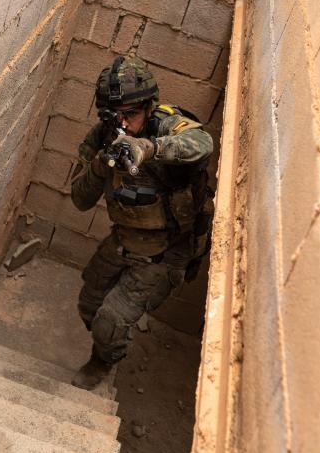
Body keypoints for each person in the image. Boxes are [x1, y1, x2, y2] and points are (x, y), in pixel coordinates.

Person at [68, 55, 215, 390]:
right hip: (123, 240)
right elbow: (79, 199)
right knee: (89, 304)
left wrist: (147, 148)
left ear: (149, 106)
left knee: (110, 322)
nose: (124, 125)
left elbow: (201, 143)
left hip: (165, 252)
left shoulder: (164, 123)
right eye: (114, 116)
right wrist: (100, 166)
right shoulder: (102, 136)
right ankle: (106, 346)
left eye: (131, 115)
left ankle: (102, 361)